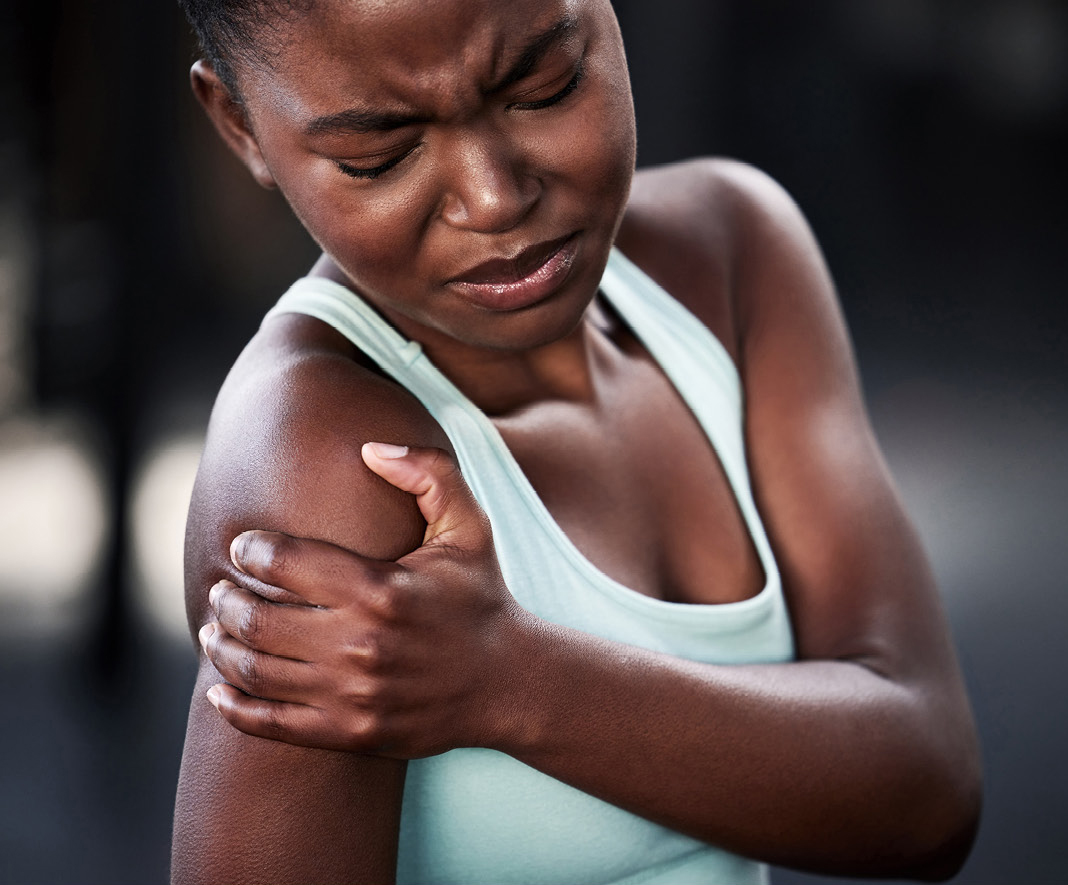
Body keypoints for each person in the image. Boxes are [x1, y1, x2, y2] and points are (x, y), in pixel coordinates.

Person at [170, 1, 982, 883]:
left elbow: (927, 783)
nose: (495, 197)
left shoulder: (730, 257)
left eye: (543, 88)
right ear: (241, 126)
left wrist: (508, 677)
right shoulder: (321, 465)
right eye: (381, 156)